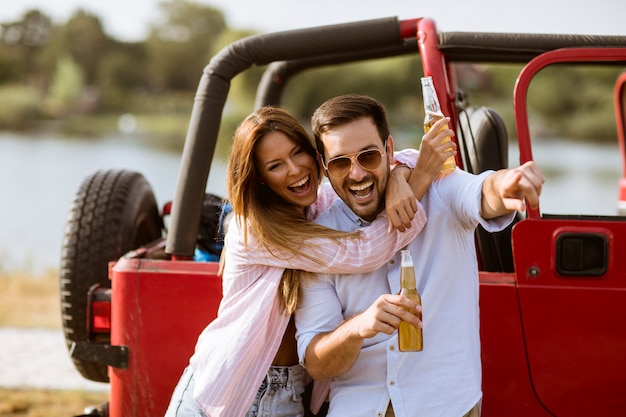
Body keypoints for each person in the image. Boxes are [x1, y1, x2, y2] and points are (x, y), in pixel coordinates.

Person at [164, 105, 450, 417]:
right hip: (225, 394)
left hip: (288, 392)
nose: (295, 170)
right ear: (259, 178)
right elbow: (362, 252)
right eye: (275, 165)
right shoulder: (255, 231)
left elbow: (388, 158)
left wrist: (398, 177)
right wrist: (419, 180)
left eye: (298, 152)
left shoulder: (316, 202)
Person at [295, 94, 545, 417]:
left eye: (368, 156)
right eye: (341, 163)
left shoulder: (442, 192)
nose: (356, 174)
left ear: (389, 150)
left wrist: (507, 184)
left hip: (445, 406)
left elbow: (482, 192)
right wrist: (358, 327)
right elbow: (315, 361)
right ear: (324, 167)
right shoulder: (319, 239)